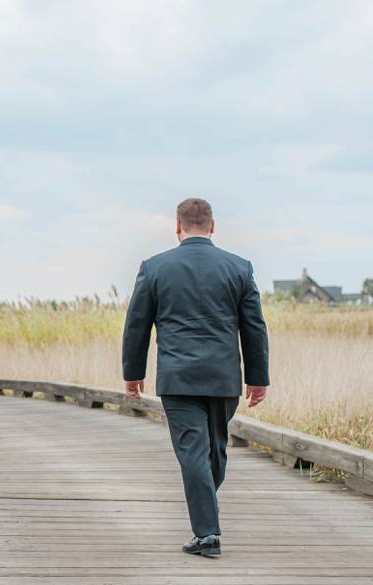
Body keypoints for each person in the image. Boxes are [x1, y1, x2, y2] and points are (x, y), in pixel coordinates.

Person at [121, 197, 269, 557]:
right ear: (213, 225)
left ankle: (206, 521)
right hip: (223, 378)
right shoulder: (238, 268)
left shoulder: (155, 268)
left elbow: (136, 325)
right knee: (206, 452)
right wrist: (257, 376)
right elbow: (254, 327)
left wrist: (133, 373)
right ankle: (207, 533)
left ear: (177, 226)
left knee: (204, 453)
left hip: (178, 376)